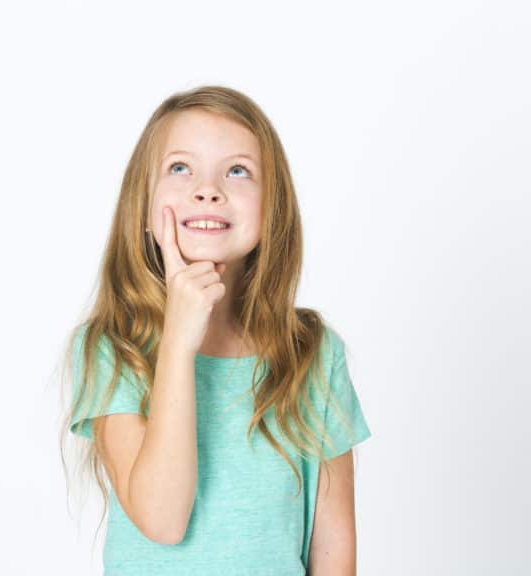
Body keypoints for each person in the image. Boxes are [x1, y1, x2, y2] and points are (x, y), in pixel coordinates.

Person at [60, 84, 371, 575]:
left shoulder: (311, 353)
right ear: (143, 207)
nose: (208, 189)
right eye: (180, 168)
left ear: (272, 212)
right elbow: (162, 520)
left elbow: (333, 549)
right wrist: (179, 342)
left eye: (238, 170)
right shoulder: (112, 347)